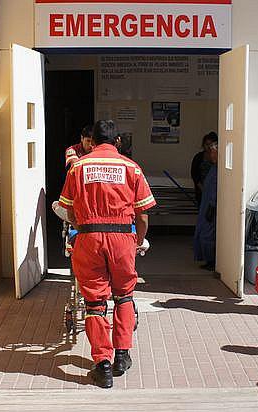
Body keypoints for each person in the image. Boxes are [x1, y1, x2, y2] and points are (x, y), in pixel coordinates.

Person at [58, 120, 156, 388]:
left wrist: (85, 228)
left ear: (92, 140)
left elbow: (68, 209)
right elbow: (143, 213)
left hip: (88, 238)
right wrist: (138, 240)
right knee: (124, 295)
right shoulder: (131, 168)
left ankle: (102, 366)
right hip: (123, 238)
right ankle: (122, 357)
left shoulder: (78, 166)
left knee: (94, 303)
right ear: (118, 142)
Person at [193, 138, 218, 271]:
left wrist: (212, 207)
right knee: (203, 232)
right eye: (211, 153)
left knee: (208, 234)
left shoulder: (220, 170)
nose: (212, 155)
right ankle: (208, 260)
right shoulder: (213, 168)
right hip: (205, 204)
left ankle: (212, 261)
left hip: (211, 207)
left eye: (214, 153)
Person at [191, 132, 218, 206]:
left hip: (215, 193)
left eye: (212, 145)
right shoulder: (198, 157)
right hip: (201, 191)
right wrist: (203, 188)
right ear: (203, 145)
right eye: (207, 144)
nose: (209, 147)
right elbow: (194, 174)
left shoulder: (219, 158)